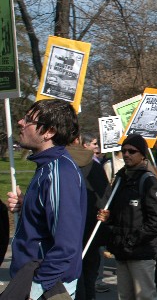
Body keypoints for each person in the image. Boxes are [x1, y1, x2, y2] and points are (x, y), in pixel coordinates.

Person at [7, 99, 86, 299]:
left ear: (49, 132)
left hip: (47, 287)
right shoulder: (46, 168)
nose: (20, 123)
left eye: (28, 120)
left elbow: (66, 245)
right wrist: (27, 206)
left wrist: (35, 288)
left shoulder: (59, 172)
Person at [97, 134, 157, 300]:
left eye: (132, 151)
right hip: (122, 251)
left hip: (141, 252)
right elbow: (119, 213)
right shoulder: (121, 179)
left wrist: (134, 239)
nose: (126, 154)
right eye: (124, 151)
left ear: (143, 154)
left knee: (144, 296)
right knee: (125, 296)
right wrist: (108, 218)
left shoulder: (149, 182)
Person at [69, 136, 110, 300]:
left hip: (72, 232)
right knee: (88, 276)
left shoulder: (59, 165)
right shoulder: (94, 165)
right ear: (78, 140)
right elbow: (104, 198)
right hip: (90, 229)